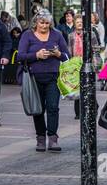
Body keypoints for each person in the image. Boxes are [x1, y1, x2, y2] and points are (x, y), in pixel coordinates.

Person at [17, 12, 70, 152]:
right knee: (38, 109)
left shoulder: (57, 35)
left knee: (53, 107)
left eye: (47, 23)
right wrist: (36, 55)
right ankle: (40, 138)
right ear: (36, 22)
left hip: (53, 77)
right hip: (34, 78)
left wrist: (59, 54)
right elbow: (20, 56)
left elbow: (67, 56)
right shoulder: (27, 35)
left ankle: (53, 138)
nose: (44, 26)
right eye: (42, 23)